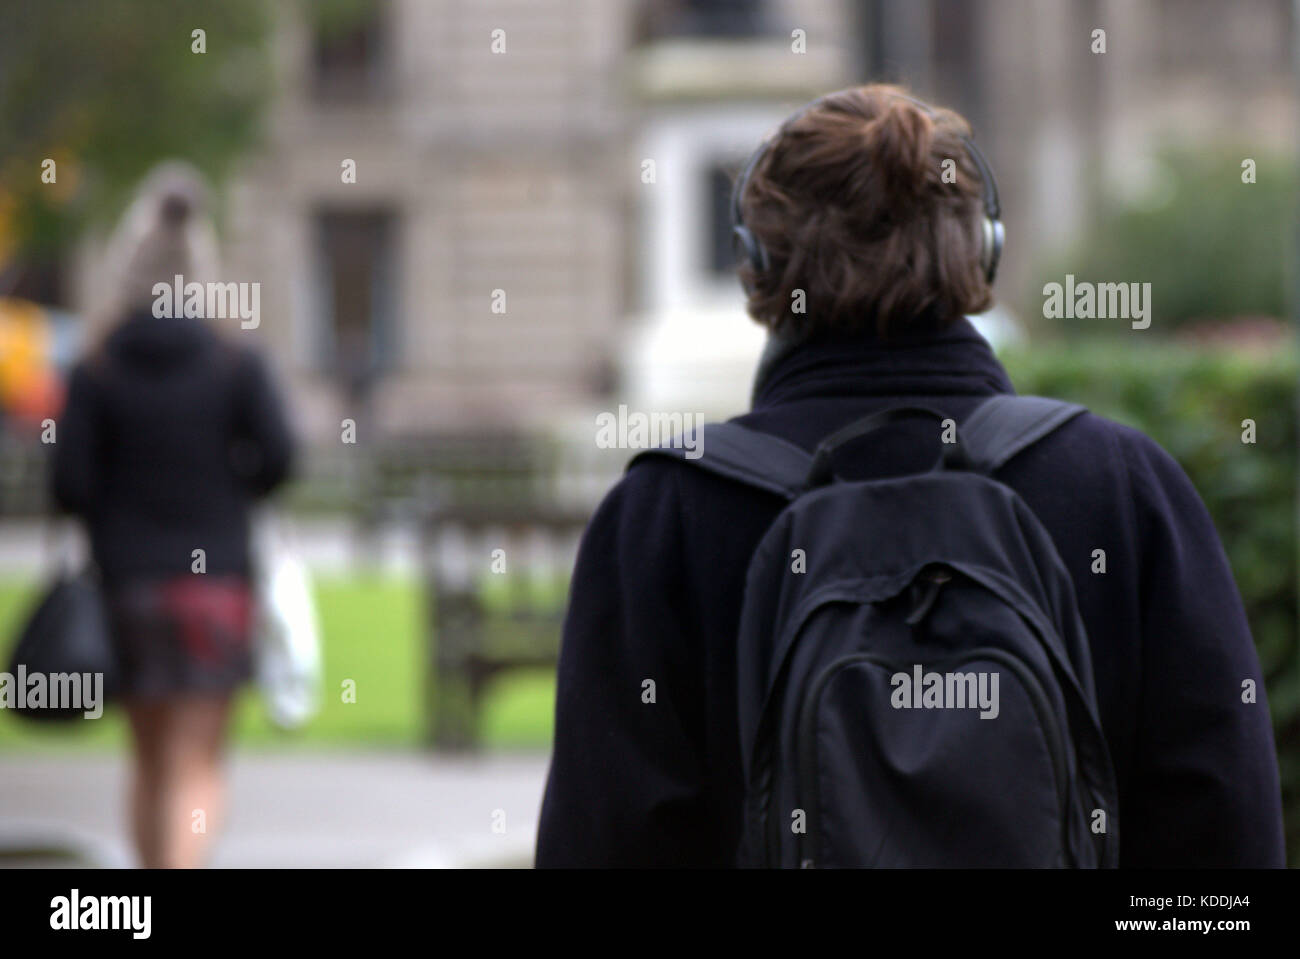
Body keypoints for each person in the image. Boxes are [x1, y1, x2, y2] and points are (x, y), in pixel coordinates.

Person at [535, 84, 1285, 867]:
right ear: (984, 247)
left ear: (756, 263)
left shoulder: (665, 516)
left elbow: (606, 840)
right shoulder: (1124, 490)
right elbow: (1223, 841)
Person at [50, 162, 295, 868]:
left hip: (125, 585)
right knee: (197, 760)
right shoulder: (232, 362)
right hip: (213, 583)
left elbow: (68, 483)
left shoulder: (95, 366)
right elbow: (279, 461)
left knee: (149, 759)